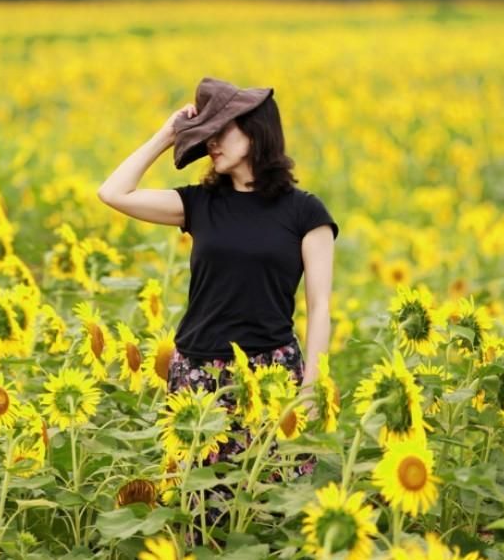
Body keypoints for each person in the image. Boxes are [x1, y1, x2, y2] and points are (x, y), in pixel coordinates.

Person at [97, 77, 339, 541]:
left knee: (270, 512)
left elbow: (320, 305)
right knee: (197, 515)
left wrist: (310, 386)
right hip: (196, 377)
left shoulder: (305, 213)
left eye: (220, 130)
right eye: (205, 134)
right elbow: (113, 192)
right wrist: (167, 135)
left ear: (255, 131)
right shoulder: (199, 204)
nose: (210, 143)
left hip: (271, 377)